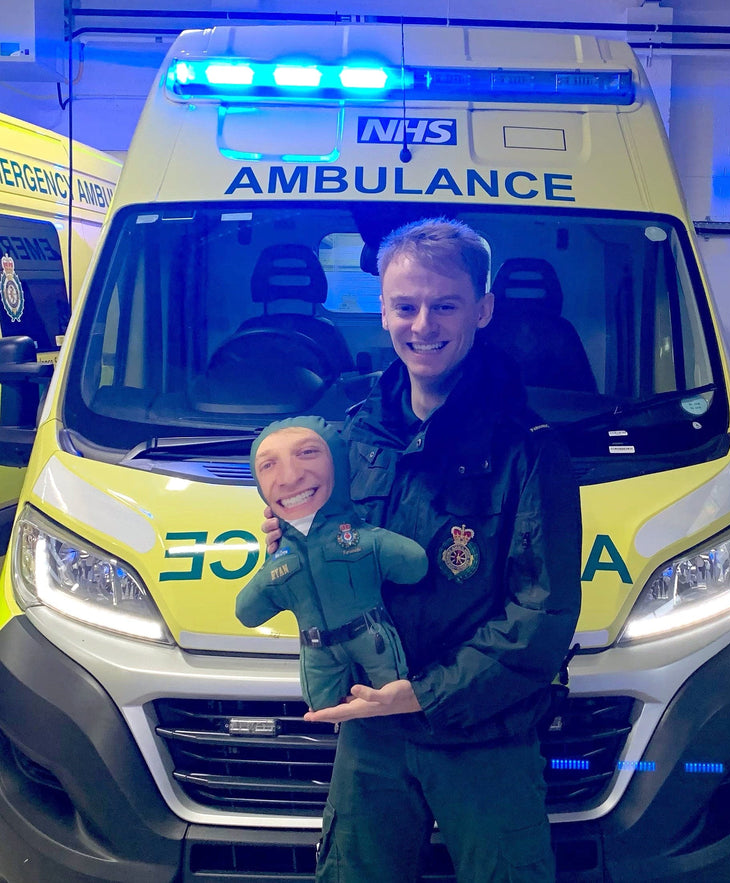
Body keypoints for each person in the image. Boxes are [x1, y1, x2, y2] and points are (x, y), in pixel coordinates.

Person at [265, 218, 582, 882]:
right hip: (372, 733)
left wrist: (423, 693)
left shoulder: (530, 450)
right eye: (405, 306)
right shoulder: (350, 440)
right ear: (382, 309)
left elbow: (541, 618)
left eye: (445, 306)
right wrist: (295, 545)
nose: (422, 324)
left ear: (483, 309)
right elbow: (341, 564)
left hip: (485, 735)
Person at [235, 415, 428, 711]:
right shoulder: (278, 554)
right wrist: (270, 562)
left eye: (307, 452)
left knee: (390, 697)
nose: (289, 477)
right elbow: (247, 612)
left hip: (372, 640)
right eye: (268, 465)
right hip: (316, 652)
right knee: (322, 709)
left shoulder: (362, 536)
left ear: (338, 463)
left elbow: (414, 564)